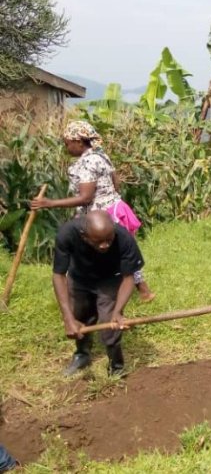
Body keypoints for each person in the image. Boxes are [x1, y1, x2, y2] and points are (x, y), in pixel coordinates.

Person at [30, 120, 155, 302]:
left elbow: (85, 197)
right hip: (114, 207)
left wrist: (49, 203)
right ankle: (143, 291)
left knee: (111, 254)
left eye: (68, 143)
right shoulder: (100, 155)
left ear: (79, 142)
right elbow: (116, 182)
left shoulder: (88, 162)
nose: (67, 147)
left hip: (101, 216)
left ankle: (95, 293)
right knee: (124, 253)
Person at [52, 211, 144, 376]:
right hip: (79, 278)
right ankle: (82, 355)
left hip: (110, 279)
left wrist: (117, 311)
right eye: (98, 241)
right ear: (84, 236)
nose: (105, 245)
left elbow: (129, 278)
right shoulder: (67, 234)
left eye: (109, 240)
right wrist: (68, 318)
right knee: (80, 317)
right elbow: (58, 275)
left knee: (110, 324)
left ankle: (116, 366)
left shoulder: (123, 238)